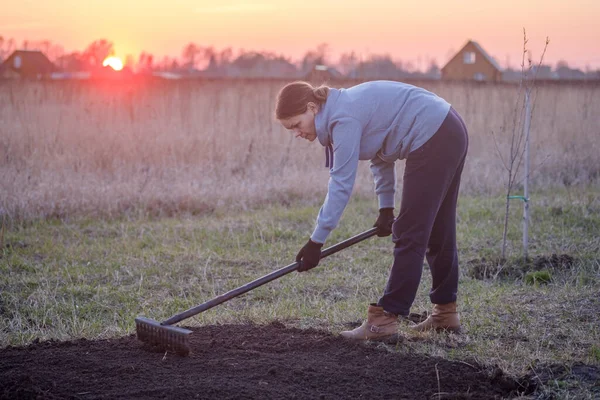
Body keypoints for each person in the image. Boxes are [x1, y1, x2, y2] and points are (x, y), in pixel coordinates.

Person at [275, 80, 468, 341]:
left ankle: (384, 320)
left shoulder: (342, 119)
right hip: (448, 127)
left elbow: (341, 186)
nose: (297, 133)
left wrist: (315, 241)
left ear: (312, 107)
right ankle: (445, 313)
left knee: (410, 232)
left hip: (433, 133)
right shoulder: (341, 108)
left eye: (297, 124)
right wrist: (385, 207)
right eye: (291, 129)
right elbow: (381, 154)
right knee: (438, 229)